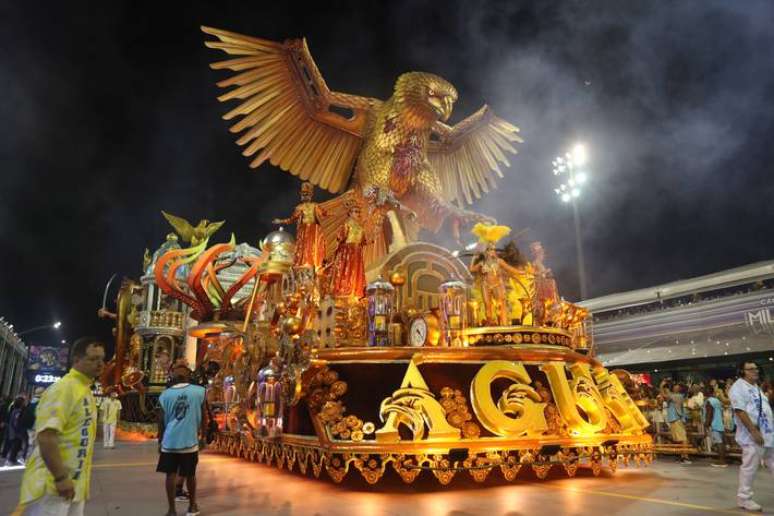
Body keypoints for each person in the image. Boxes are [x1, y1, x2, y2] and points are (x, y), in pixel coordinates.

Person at [14, 337, 105, 516]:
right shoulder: (64, 388)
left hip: (73, 487)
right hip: (51, 486)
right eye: (93, 359)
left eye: (102, 359)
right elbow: (46, 436)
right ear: (76, 360)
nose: (100, 364)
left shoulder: (84, 389)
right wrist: (61, 477)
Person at [157, 363, 207, 516]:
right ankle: (192, 507)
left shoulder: (165, 395)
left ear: (172, 376)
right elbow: (204, 416)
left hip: (169, 442)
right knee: (190, 474)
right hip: (189, 441)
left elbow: (160, 421)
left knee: (170, 475)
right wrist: (203, 436)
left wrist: (160, 441)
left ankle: (171, 510)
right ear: (188, 375)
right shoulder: (200, 391)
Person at [730, 361, 774, 512]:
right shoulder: (738, 387)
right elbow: (740, 410)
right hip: (752, 436)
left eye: (756, 368)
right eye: (751, 369)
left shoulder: (756, 387)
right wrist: (753, 431)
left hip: (767, 434)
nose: (756, 371)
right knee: (750, 468)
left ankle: (745, 497)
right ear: (742, 372)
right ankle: (744, 498)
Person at [660, 383, 691, 464]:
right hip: (674, 419)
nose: (674, 386)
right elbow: (665, 398)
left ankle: (686, 457)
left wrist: (661, 386)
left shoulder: (678, 396)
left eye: (677, 386)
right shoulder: (675, 396)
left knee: (683, 438)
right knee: (679, 439)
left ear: (680, 389)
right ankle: (682, 456)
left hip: (677, 419)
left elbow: (665, 395)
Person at [703, 386, 727, 467]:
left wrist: (706, 424)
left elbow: (709, 414)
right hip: (720, 423)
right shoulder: (717, 400)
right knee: (721, 443)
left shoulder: (709, 401)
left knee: (718, 443)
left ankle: (722, 461)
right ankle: (722, 459)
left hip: (714, 424)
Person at [5, 396, 27, 466]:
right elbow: (15, 422)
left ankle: (12, 459)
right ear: (21, 403)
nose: (25, 403)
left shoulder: (15, 410)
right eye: (24, 402)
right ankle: (10, 459)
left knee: (17, 445)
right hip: (16, 432)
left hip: (14, 431)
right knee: (15, 445)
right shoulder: (18, 411)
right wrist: (18, 430)